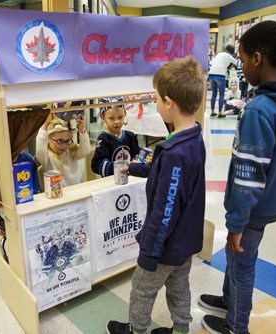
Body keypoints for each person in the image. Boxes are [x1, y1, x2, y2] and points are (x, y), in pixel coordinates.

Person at [198, 21, 276, 334]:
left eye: (244, 59)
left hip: (253, 208)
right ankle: (228, 301)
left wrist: (235, 222)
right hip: (274, 201)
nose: (242, 66)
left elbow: (248, 176)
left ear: (258, 59)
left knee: (242, 264)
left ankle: (237, 326)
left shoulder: (259, 110)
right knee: (239, 259)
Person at [106, 55, 206, 334]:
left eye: (157, 100)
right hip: (187, 240)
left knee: (141, 288)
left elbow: (166, 209)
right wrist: (137, 167)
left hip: (165, 245)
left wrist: (150, 250)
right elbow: (173, 180)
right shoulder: (193, 138)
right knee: (178, 285)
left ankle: (136, 330)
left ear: (169, 102)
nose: (156, 105)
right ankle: (181, 329)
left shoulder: (176, 153)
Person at [91, 97, 140, 177]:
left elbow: (136, 154)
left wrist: (141, 158)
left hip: (130, 180)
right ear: (103, 117)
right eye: (111, 118)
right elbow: (97, 164)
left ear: (125, 114)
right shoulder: (103, 139)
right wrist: (120, 168)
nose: (117, 122)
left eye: (120, 117)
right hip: (111, 182)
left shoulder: (130, 136)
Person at [35, 115, 90, 187]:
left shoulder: (70, 151)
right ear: (48, 139)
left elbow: (85, 150)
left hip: (77, 189)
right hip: (59, 194)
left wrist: (82, 131)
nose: (64, 145)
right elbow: (40, 150)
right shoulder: (47, 157)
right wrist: (43, 127)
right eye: (60, 141)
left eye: (67, 141)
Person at [208, 45, 237, 117]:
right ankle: (220, 112)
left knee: (214, 94)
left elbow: (210, 64)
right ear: (232, 51)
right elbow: (236, 62)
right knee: (221, 95)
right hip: (220, 75)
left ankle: (212, 111)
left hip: (211, 75)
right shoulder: (228, 55)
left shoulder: (218, 54)